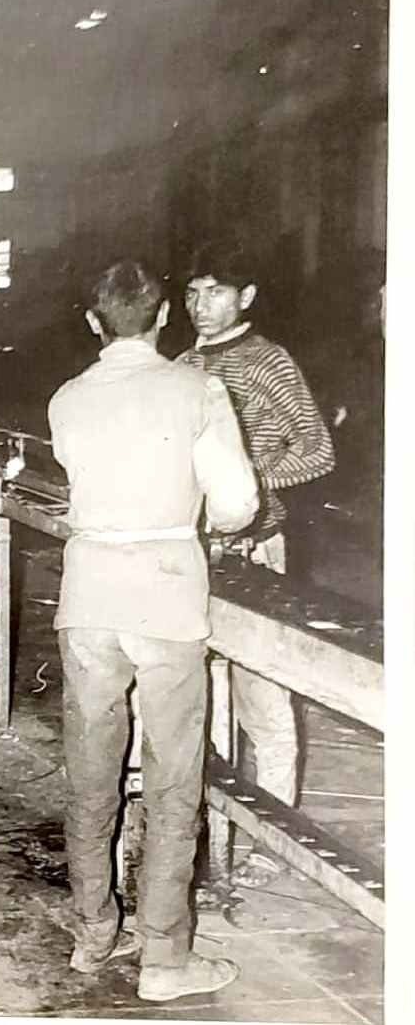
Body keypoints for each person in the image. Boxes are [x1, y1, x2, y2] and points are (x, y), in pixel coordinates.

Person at [48, 259, 258, 1001]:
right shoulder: (197, 389)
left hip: (89, 593)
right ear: (165, 315)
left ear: (93, 321)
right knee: (173, 775)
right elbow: (237, 503)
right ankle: (166, 958)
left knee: (90, 766)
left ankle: (92, 932)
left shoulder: (68, 397)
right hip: (167, 592)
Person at [175, 240, 335, 832]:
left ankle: (275, 839)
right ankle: (214, 833)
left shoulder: (269, 361)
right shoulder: (183, 364)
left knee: (262, 695)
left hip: (255, 546)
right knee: (201, 694)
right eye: (192, 293)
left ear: (246, 296)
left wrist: (249, 483)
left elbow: (317, 449)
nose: (201, 305)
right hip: (197, 550)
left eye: (216, 292)